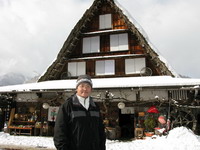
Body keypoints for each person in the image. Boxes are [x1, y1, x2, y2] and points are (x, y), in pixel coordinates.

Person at [54, 75, 106, 150]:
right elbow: (59, 132)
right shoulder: (67, 106)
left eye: (88, 86)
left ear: (91, 89)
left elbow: (101, 132)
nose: (85, 89)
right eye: (82, 86)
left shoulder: (95, 107)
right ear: (76, 88)